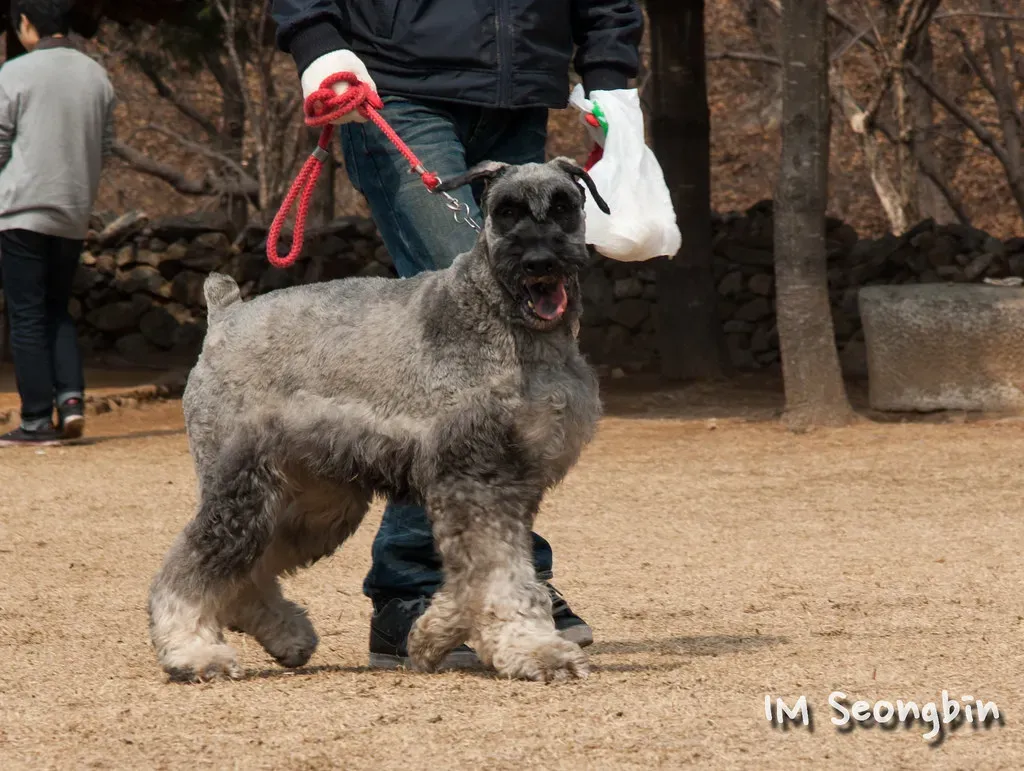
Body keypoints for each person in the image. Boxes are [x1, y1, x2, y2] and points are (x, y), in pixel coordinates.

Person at [271, 0, 643, 668]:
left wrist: (611, 69)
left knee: (517, 357)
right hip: (395, 84)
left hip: (521, 87)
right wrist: (317, 38)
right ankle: (423, 586)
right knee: (468, 329)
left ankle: (478, 579)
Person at [0, 0, 116, 447]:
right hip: (73, 211)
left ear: (27, 25)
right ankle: (70, 403)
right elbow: (106, 148)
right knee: (56, 308)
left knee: (26, 314)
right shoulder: (97, 76)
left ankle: (34, 420)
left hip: (22, 208)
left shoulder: (15, 73)